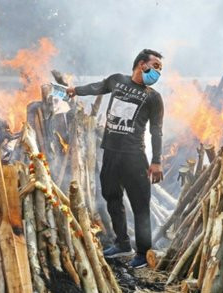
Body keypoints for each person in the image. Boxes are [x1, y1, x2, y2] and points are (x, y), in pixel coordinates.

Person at [66, 49, 164, 268]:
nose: (158, 72)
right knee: (112, 197)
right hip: (110, 153)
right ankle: (122, 243)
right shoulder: (117, 81)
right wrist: (75, 90)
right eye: (155, 66)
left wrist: (156, 160)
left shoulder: (153, 97)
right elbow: (97, 87)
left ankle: (142, 252)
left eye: (160, 69)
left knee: (140, 206)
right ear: (142, 64)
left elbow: (156, 130)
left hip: (135, 157)